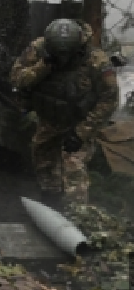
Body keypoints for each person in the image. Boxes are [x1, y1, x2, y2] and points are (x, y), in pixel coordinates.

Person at [10, 18, 118, 208]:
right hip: (49, 120)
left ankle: (78, 216)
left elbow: (109, 99)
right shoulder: (38, 49)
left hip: (80, 121)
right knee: (44, 163)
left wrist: (82, 132)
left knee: (72, 169)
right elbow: (17, 79)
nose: (63, 60)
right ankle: (51, 203)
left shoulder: (96, 61)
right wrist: (43, 66)